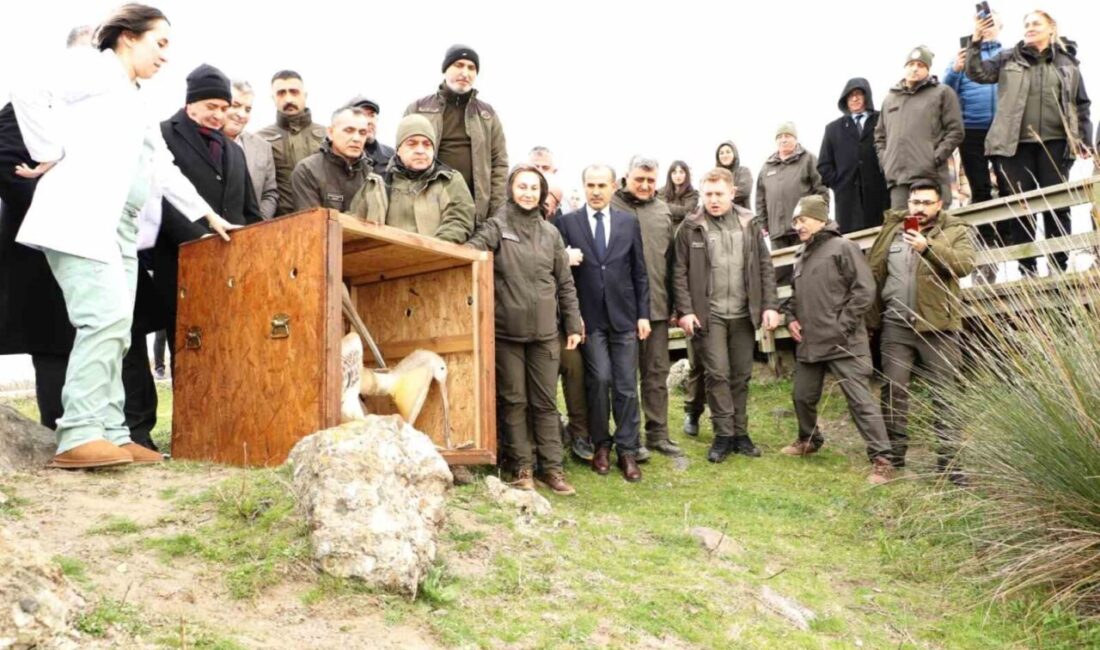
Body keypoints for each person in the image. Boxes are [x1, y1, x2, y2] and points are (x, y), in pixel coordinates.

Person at [12, 4, 235, 468]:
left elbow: (161, 166)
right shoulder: (96, 68)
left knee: (121, 329)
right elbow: (28, 88)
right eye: (161, 42)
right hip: (80, 219)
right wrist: (49, 151)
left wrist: (206, 214)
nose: (166, 56)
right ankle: (78, 433)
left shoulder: (135, 97)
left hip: (121, 229)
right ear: (129, 37)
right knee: (104, 321)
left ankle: (113, 432)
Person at [465, 164, 583, 496]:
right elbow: (471, 253)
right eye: (522, 186)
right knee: (514, 401)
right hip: (507, 335)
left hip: (546, 333)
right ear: (511, 190)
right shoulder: (497, 227)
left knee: (545, 403)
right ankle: (522, 468)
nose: (528, 193)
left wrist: (573, 322)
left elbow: (565, 283)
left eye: (534, 187)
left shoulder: (551, 234)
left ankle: (553, 469)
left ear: (542, 193)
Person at [0, 24, 93, 431]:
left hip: (92, 245)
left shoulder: (94, 115)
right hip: (39, 250)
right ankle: (57, 431)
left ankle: (97, 428)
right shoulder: (25, 109)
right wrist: (66, 204)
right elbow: (9, 169)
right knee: (54, 342)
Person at [965, 9, 1094, 274]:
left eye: (1036, 23)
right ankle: (1027, 267)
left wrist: (1084, 139)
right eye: (1026, 24)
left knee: (1056, 203)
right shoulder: (1008, 57)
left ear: (1051, 28)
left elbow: (1081, 104)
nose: (1030, 28)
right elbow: (977, 73)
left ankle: (1058, 265)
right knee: (1021, 205)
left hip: (1056, 143)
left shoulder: (1067, 62)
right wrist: (975, 41)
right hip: (1015, 145)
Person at [152, 63, 262, 360]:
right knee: (190, 357)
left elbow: (249, 210)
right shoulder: (162, 135)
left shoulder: (234, 150)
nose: (219, 114)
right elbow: (159, 199)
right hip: (181, 266)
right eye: (211, 106)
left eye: (225, 108)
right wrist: (200, 239)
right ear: (190, 103)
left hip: (232, 269)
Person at [780, 196, 894, 485]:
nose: (798, 225)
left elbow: (865, 290)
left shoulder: (844, 247)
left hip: (845, 342)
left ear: (819, 219)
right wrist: (790, 317)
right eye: (795, 221)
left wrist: (841, 325)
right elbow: (796, 296)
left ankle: (882, 459)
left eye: (802, 219)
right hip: (810, 341)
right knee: (802, 396)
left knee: (860, 402)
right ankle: (809, 439)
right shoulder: (800, 253)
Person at [866, 180, 975, 476]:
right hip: (895, 326)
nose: (920, 208)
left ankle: (950, 465)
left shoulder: (955, 230)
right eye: (915, 202)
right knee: (893, 391)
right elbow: (874, 272)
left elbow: (964, 265)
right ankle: (894, 458)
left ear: (939, 204)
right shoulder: (893, 229)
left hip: (938, 328)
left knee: (946, 397)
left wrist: (928, 247)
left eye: (926, 202)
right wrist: (869, 318)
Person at [673, 168, 780, 463]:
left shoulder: (750, 223)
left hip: (745, 313)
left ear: (732, 193)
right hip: (710, 315)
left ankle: (740, 433)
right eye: (708, 194)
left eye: (719, 194)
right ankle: (723, 435)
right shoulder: (690, 227)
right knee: (717, 374)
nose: (713, 200)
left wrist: (770, 305)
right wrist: (685, 311)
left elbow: (765, 266)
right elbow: (679, 274)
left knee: (741, 376)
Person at [555, 164, 650, 483]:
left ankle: (627, 448)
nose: (596, 191)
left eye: (602, 185)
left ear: (613, 187)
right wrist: (572, 318)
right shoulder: (567, 223)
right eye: (590, 185)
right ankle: (601, 444)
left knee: (625, 383)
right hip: (589, 319)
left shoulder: (628, 222)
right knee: (599, 381)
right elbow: (562, 276)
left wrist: (643, 314)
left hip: (624, 318)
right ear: (583, 187)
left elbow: (639, 271)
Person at [611, 156, 683, 459]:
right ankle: (630, 436)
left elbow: (673, 263)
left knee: (656, 374)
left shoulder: (663, 211)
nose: (644, 185)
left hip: (657, 308)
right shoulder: (612, 207)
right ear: (627, 176)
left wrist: (675, 304)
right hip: (620, 309)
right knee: (625, 377)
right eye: (639, 179)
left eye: (651, 181)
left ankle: (658, 433)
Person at [405, 44, 508, 224]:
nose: (465, 73)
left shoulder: (488, 115)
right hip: (426, 207)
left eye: (471, 68)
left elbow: (499, 164)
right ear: (445, 69)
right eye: (459, 65)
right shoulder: (418, 108)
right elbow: (402, 157)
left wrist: (495, 211)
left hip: (474, 211)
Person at [350, 114, 474, 244]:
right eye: (412, 144)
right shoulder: (376, 182)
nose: (420, 150)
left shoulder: (449, 180)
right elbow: (354, 222)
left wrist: (429, 252)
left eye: (427, 144)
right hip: (385, 259)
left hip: (435, 259)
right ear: (398, 150)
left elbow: (459, 222)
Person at [874, 46, 964, 209]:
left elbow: (956, 131)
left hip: (930, 176)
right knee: (901, 228)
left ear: (928, 69)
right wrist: (886, 161)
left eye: (921, 65)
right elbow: (880, 136)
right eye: (911, 64)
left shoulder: (942, 93)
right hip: (898, 180)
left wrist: (934, 157)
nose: (915, 69)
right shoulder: (890, 99)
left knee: (933, 228)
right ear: (905, 66)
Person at [817, 78, 890, 234]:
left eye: (858, 94)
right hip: (847, 201)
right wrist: (839, 183)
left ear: (867, 96)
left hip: (880, 195)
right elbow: (823, 164)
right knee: (852, 249)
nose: (854, 98)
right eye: (850, 96)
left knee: (882, 242)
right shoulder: (833, 129)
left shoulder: (881, 120)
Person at [257, 70, 326, 216]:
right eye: (281, 93)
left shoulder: (328, 136)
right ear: (273, 98)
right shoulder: (259, 139)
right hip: (279, 224)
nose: (288, 99)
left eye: (294, 92)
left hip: (324, 220)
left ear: (305, 95)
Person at [291, 106, 381, 213]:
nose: (356, 138)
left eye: (362, 133)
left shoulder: (371, 175)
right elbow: (311, 223)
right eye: (349, 130)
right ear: (330, 132)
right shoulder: (307, 171)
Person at [755, 121, 829, 252]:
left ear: (795, 138)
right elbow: (760, 199)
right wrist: (762, 224)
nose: (783, 140)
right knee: (781, 271)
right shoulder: (767, 167)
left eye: (787, 136)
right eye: (780, 137)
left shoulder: (808, 159)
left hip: (804, 229)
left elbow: (821, 190)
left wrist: (821, 217)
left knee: (807, 269)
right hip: (777, 234)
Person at [223, 80, 277, 220]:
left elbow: (270, 193)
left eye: (247, 109)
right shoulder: (202, 142)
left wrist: (257, 225)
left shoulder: (262, 148)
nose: (241, 114)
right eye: (235, 106)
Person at [343, 96, 395, 176]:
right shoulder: (335, 155)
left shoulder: (392, 156)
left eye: (372, 115)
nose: (369, 121)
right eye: (362, 115)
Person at [714, 141, 752, 209]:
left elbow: (743, 191)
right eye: (721, 153)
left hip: (741, 216)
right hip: (719, 217)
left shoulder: (744, 171)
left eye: (728, 152)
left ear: (734, 154)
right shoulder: (714, 175)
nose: (725, 155)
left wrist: (720, 197)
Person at [660, 160, 698, 226]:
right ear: (670, 175)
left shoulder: (693, 194)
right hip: (664, 227)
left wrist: (665, 206)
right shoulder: (661, 191)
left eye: (681, 172)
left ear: (686, 174)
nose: (678, 176)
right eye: (674, 173)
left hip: (683, 229)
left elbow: (687, 212)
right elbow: (658, 208)